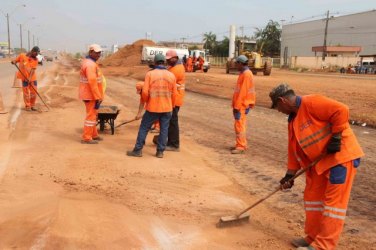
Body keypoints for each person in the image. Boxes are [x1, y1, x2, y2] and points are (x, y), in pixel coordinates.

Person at [269, 84, 364, 250]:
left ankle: (323, 245)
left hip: (340, 159)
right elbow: (294, 150)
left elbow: (342, 110)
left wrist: (336, 136)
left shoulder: (312, 102)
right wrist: (289, 175)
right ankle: (312, 237)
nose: (278, 110)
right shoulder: (292, 120)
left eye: (277, 106)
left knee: (333, 205)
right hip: (319, 164)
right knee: (313, 198)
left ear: (282, 101)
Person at [127, 54, 177, 158]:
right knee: (164, 129)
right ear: (164, 62)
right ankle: (160, 152)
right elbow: (174, 94)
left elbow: (145, 92)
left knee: (144, 127)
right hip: (167, 108)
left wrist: (146, 102)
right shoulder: (171, 75)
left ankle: (138, 150)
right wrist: (171, 106)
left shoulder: (150, 74)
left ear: (155, 62)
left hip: (153, 107)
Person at [79, 44, 104, 144]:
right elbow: (92, 82)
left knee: (93, 115)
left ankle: (93, 134)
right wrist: (98, 97)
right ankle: (87, 137)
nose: (98, 55)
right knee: (91, 116)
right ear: (90, 52)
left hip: (89, 94)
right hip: (90, 94)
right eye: (96, 53)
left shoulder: (90, 62)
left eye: (99, 53)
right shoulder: (90, 65)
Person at [231, 55, 255, 154]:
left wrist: (236, 106)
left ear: (241, 63)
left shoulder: (246, 74)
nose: (236, 65)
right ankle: (241, 144)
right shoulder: (244, 73)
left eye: (236, 63)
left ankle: (241, 146)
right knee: (240, 125)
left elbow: (243, 92)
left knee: (239, 126)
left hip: (241, 105)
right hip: (242, 104)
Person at [164, 49, 186, 151]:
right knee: (170, 121)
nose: (168, 61)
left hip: (175, 99)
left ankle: (174, 144)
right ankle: (169, 141)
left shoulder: (177, 69)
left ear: (175, 58)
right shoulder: (174, 67)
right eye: (167, 59)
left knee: (173, 121)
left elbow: (166, 80)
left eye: (169, 59)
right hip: (173, 98)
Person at [11, 46, 40, 111]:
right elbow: (16, 61)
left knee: (33, 93)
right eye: (36, 53)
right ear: (32, 51)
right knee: (26, 93)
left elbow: (33, 70)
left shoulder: (35, 60)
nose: (37, 55)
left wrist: (29, 78)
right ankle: (28, 106)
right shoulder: (22, 56)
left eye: (38, 53)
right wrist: (14, 62)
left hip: (32, 79)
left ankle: (32, 105)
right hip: (24, 79)